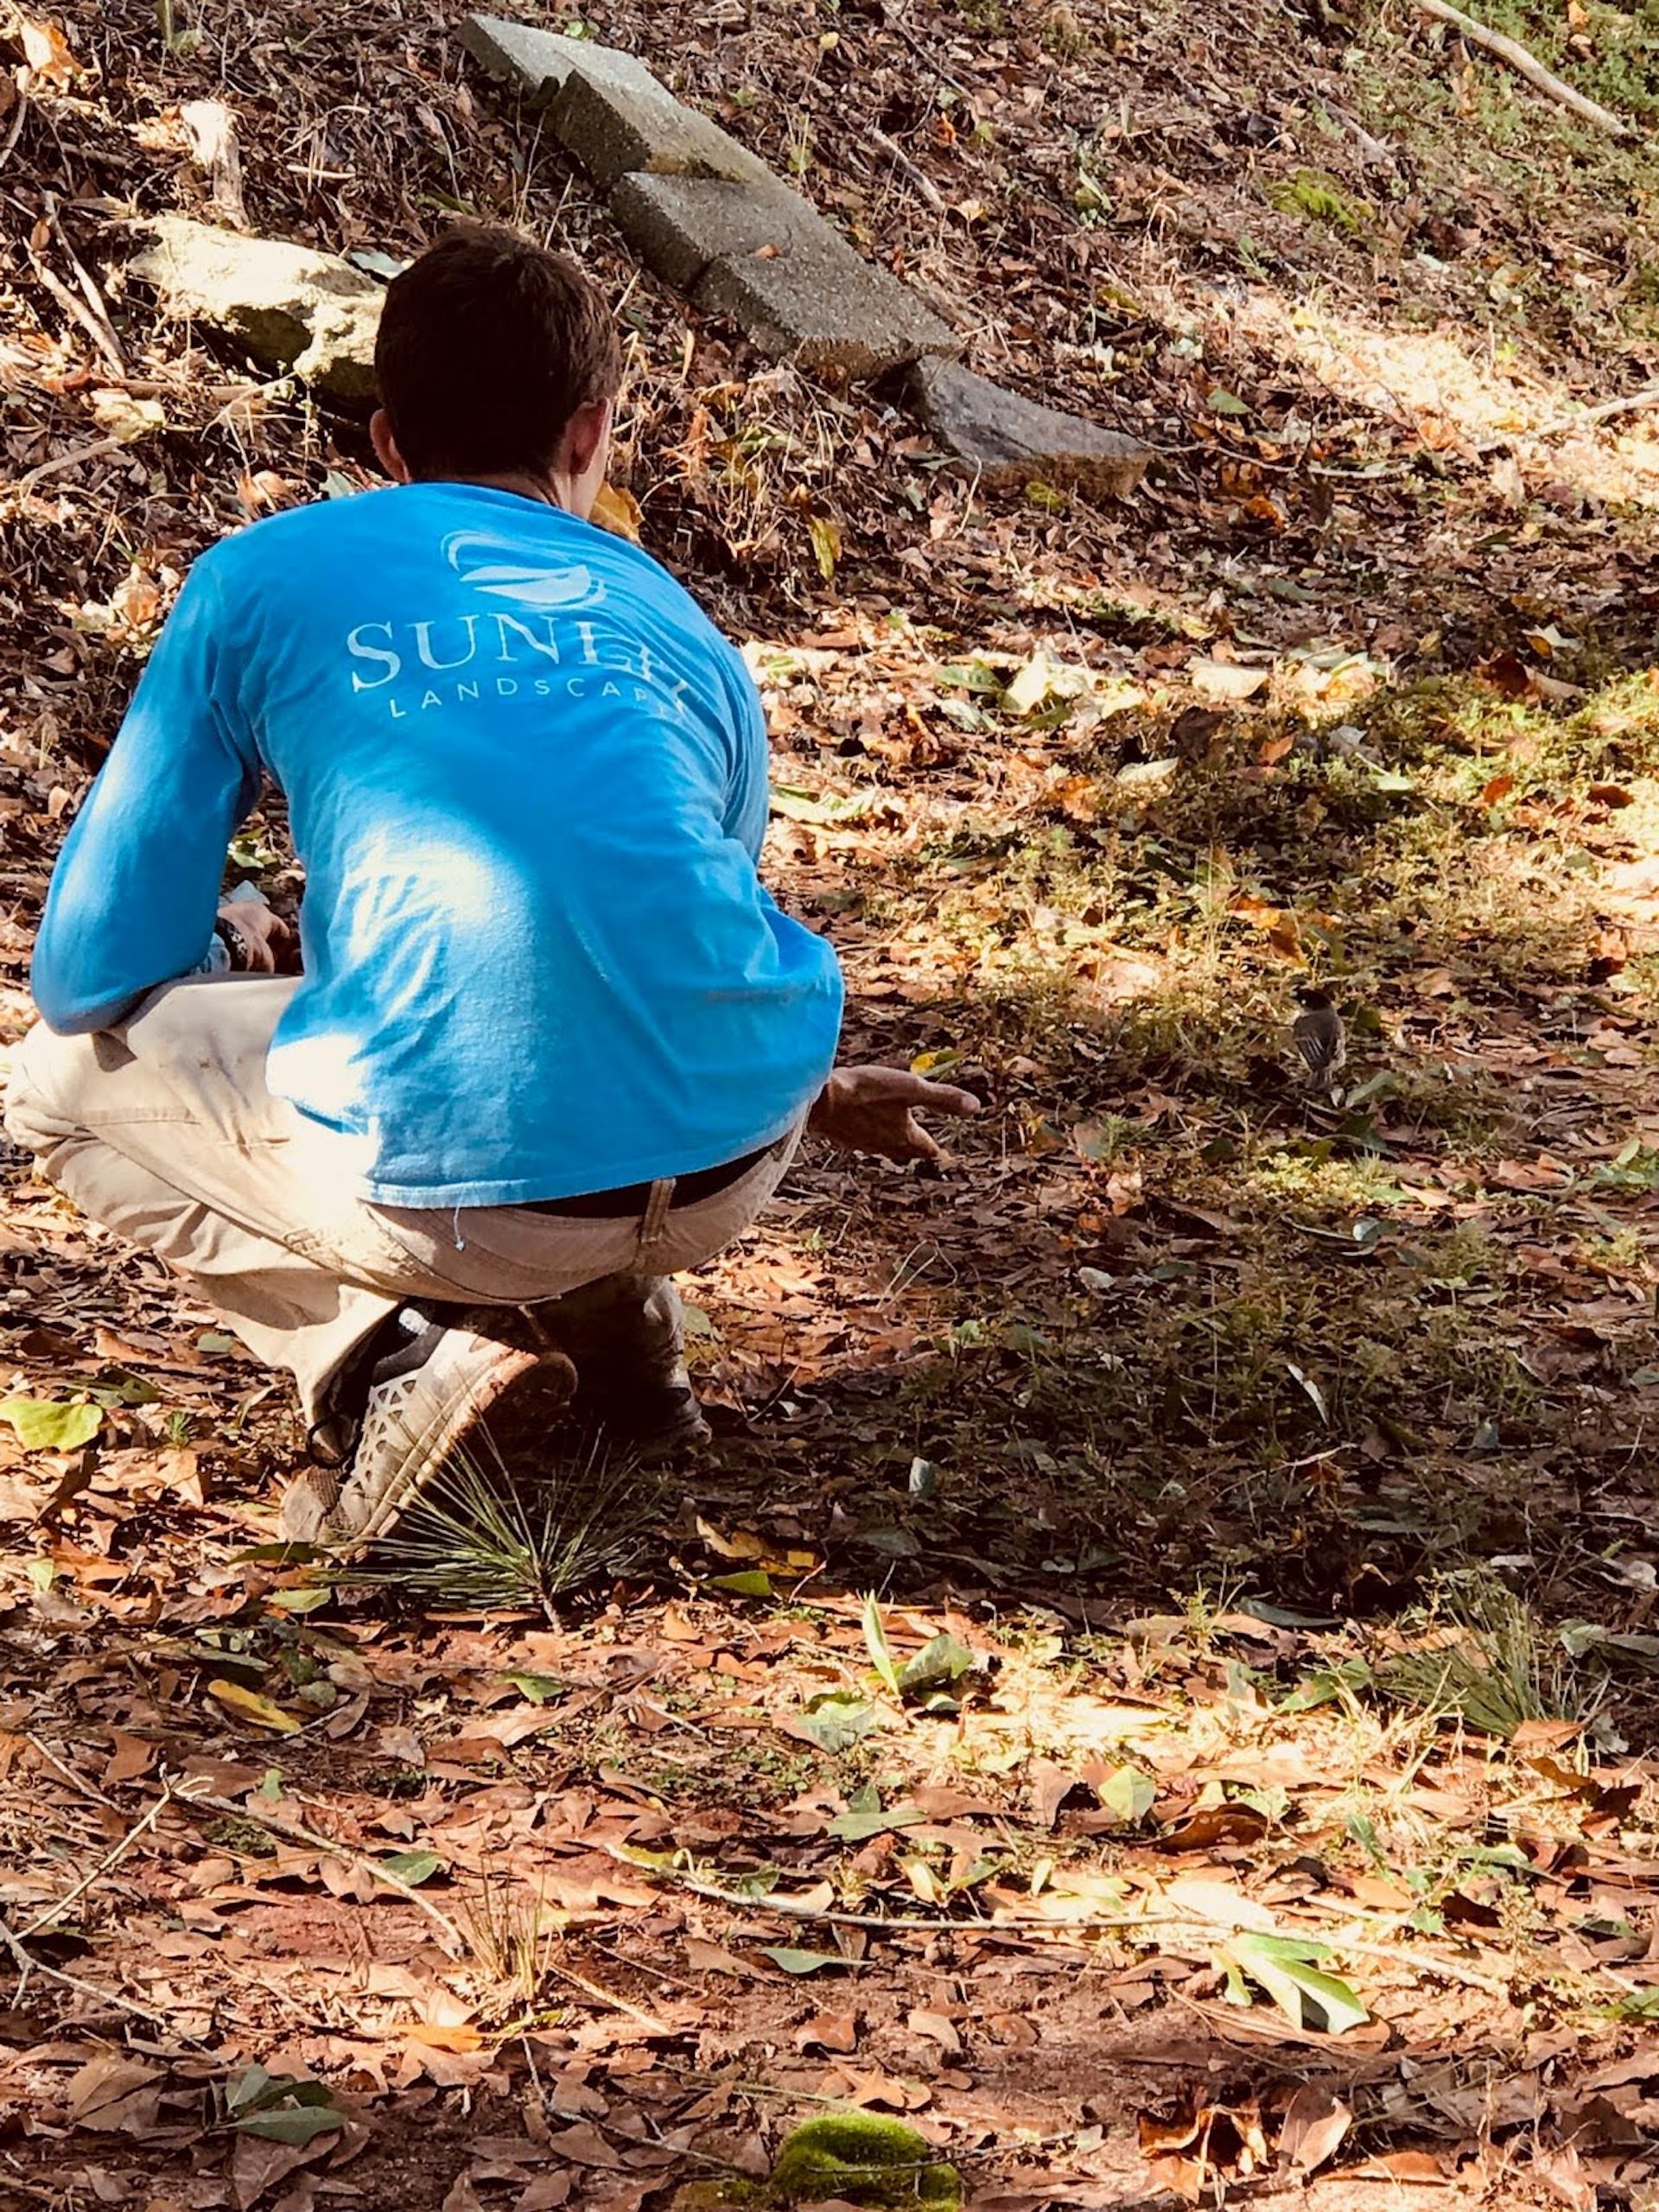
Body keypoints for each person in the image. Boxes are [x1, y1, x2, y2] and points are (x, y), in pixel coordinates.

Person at [4, 224, 977, 1544]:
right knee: (490, 1040)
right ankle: (626, 1346)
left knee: (49, 1084)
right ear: (589, 435)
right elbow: (660, 933)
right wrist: (803, 1089)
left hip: (474, 1199)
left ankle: (385, 1361)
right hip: (740, 1157)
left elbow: (82, 976)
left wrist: (220, 930)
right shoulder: (667, 612)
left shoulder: (257, 581)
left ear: (389, 444)